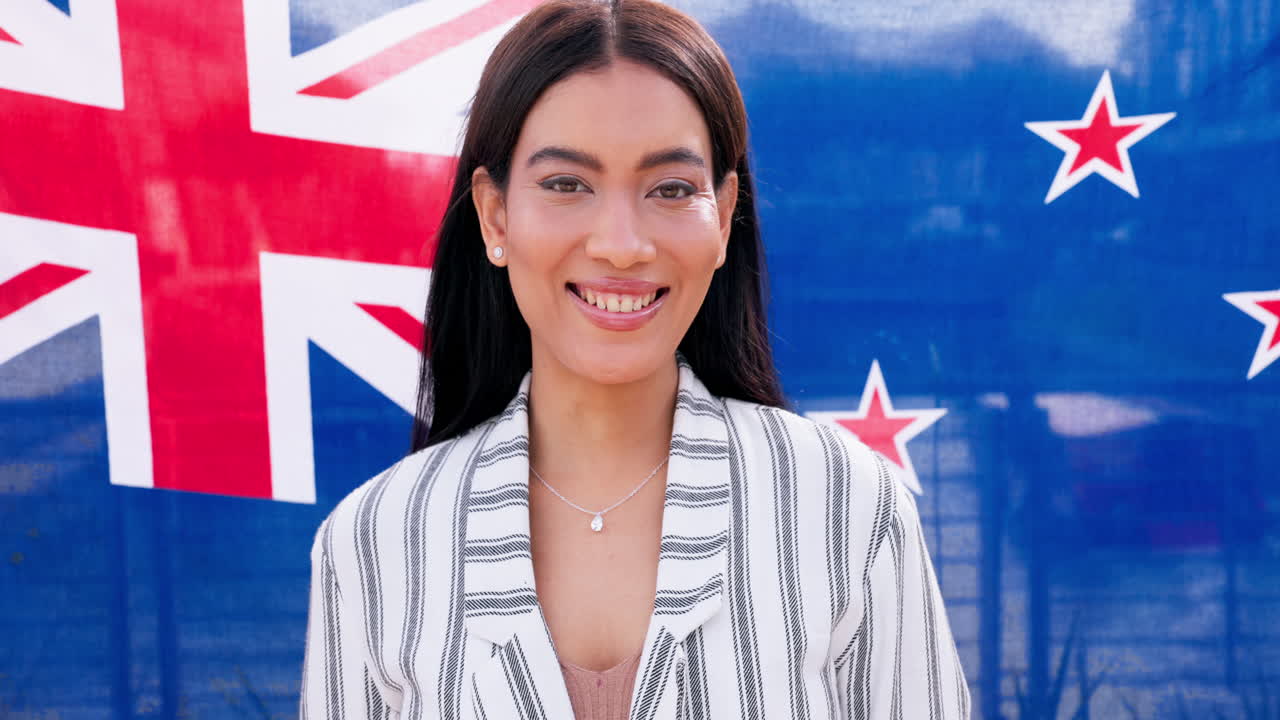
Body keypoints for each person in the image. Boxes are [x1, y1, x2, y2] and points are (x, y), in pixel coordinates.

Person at [299, 0, 971, 717]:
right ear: (495, 216)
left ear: (724, 217)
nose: (621, 245)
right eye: (566, 185)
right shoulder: (373, 541)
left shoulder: (849, 509)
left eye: (671, 189)